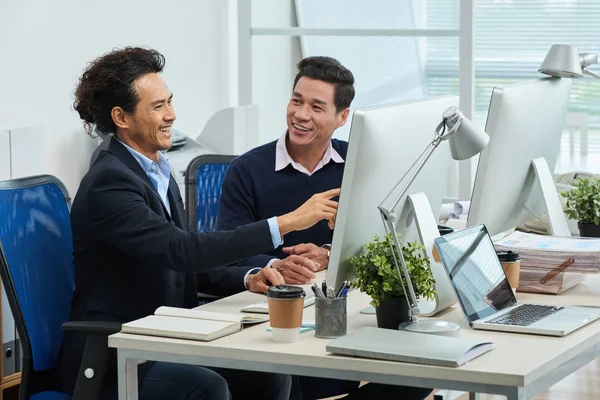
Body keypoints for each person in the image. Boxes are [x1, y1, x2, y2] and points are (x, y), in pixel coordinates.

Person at [54, 47, 340, 400]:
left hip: (162, 335)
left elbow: (183, 269)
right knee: (206, 388)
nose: (171, 115)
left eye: (169, 102)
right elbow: (182, 252)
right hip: (114, 351)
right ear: (121, 117)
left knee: (271, 373)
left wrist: (251, 276)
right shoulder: (109, 183)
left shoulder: (155, 170)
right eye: (157, 106)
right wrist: (287, 222)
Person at [218, 56, 432, 400]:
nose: (301, 115)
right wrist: (276, 266)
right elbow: (226, 253)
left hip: (343, 310)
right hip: (275, 317)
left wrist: (328, 255)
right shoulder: (247, 169)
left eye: (317, 106)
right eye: (296, 100)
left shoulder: (359, 164)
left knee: (418, 373)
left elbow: (383, 241)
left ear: (342, 117)